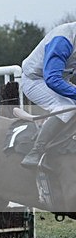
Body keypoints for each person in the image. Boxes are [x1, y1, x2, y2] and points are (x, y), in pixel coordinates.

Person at [19, 22, 76, 170]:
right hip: (36, 80)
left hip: (59, 80)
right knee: (67, 107)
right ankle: (36, 151)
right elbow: (52, 79)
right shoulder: (63, 40)